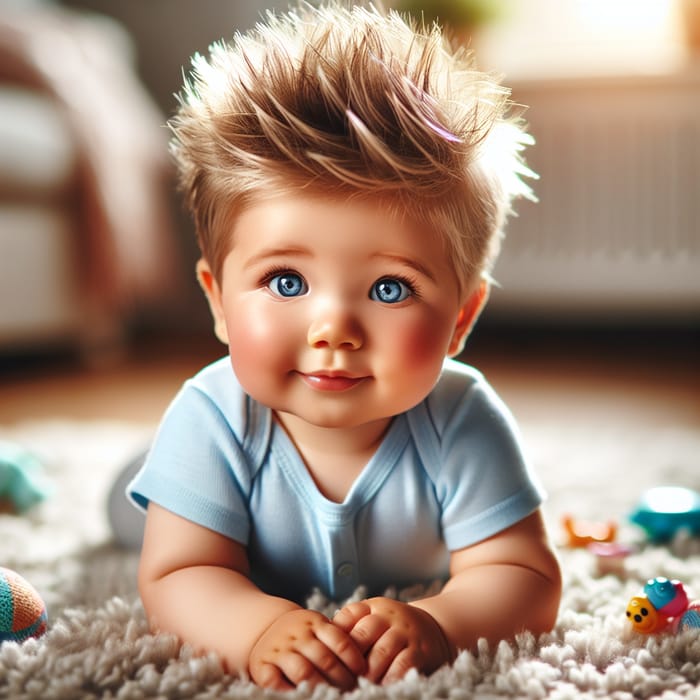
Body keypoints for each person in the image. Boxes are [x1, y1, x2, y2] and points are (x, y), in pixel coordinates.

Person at [127, 2, 561, 691]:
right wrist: (255, 627)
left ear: (461, 318)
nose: (334, 329)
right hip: (187, 483)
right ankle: (139, 481)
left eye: (390, 288)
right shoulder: (211, 417)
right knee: (128, 518)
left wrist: (444, 622)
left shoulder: (464, 417)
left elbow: (523, 574)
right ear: (216, 299)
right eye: (286, 279)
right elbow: (181, 573)